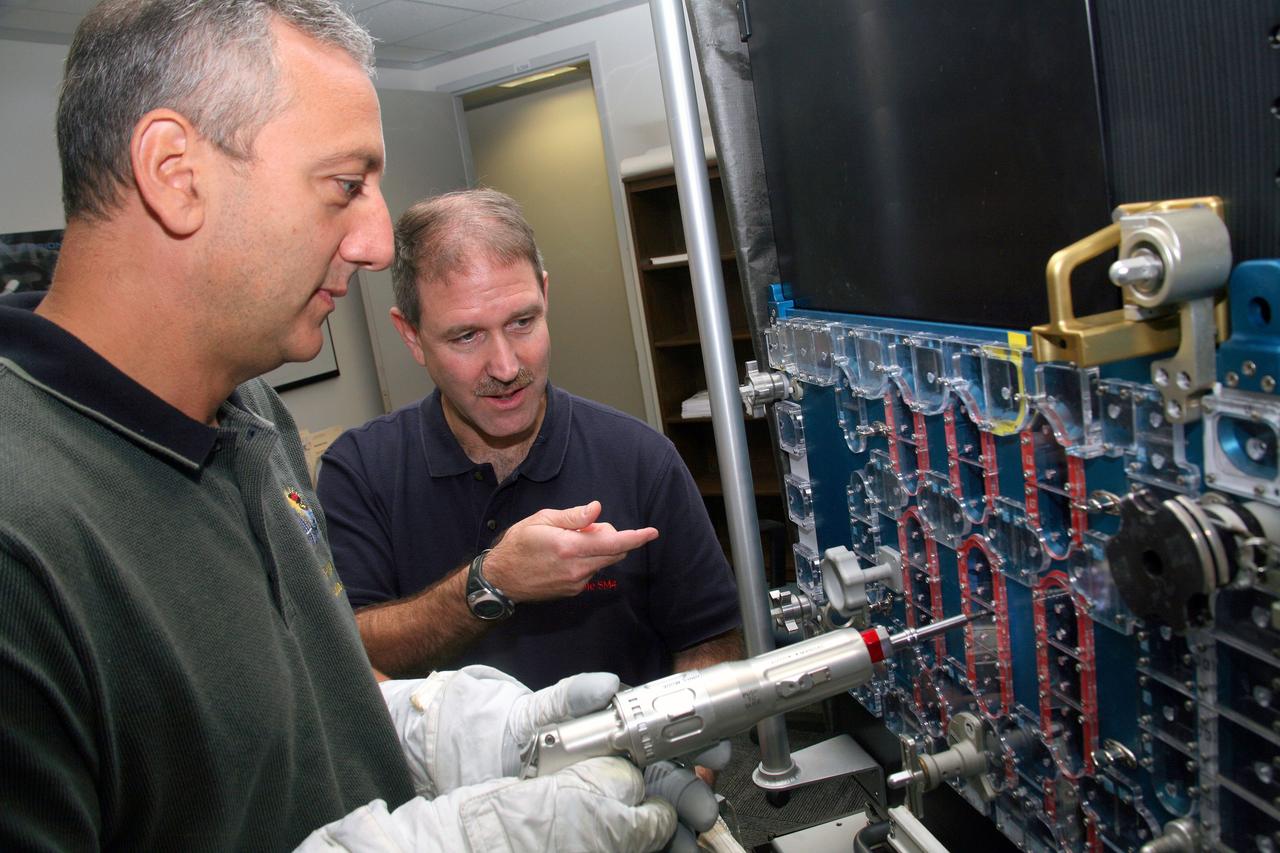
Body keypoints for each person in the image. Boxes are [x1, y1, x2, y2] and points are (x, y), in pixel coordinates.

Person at [0, 0, 711, 849]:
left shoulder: (254, 419)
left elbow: (301, 702)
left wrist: (437, 726)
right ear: (174, 171)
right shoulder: (23, 534)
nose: (377, 242)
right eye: (345, 185)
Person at [316, 189, 743, 695]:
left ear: (545, 295)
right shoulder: (360, 470)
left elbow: (711, 639)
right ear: (411, 336)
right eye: (466, 337)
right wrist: (491, 582)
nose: (507, 367)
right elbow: (347, 652)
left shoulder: (641, 458)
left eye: (522, 322)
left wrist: (682, 763)